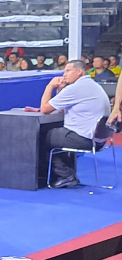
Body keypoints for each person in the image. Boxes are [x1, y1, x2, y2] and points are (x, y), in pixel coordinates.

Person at [41, 60, 111, 188]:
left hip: (84, 138)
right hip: (99, 139)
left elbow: (45, 109)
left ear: (79, 71)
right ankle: (67, 174)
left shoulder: (75, 88)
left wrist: (49, 86)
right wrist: (60, 90)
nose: (64, 74)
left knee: (41, 136)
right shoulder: (92, 85)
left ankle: (65, 175)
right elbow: (61, 108)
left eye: (68, 71)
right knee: (58, 135)